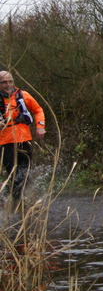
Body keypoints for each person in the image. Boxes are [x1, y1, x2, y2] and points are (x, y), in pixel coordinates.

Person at [0, 70, 46, 204]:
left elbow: (38, 110)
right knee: (13, 175)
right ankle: (17, 203)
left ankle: (23, 199)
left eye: (10, 81)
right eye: (3, 82)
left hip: (24, 139)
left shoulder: (22, 95)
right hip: (4, 143)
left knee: (26, 173)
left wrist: (40, 126)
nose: (8, 85)